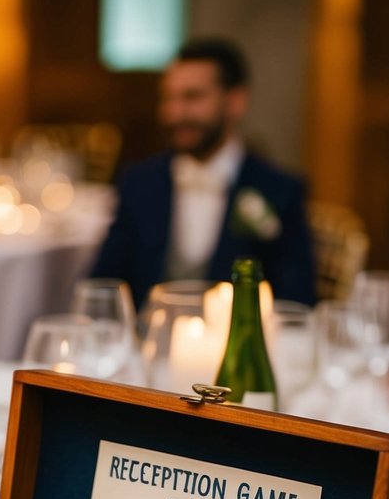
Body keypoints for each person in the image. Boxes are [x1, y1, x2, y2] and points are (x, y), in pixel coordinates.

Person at [90, 36, 316, 310]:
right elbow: (102, 286)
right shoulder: (139, 182)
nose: (175, 114)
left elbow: (297, 299)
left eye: (192, 97)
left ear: (235, 102)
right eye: (168, 99)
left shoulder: (279, 190)